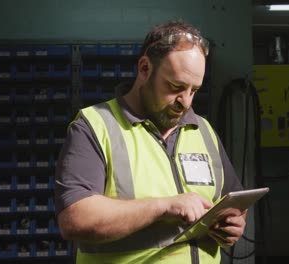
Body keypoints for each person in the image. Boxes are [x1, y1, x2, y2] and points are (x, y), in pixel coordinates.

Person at [55, 19, 246, 263]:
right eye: (176, 86)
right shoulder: (95, 126)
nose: (185, 101)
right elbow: (75, 219)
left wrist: (234, 222)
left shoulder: (204, 130)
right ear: (145, 68)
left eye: (194, 90)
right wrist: (164, 207)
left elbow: (234, 200)